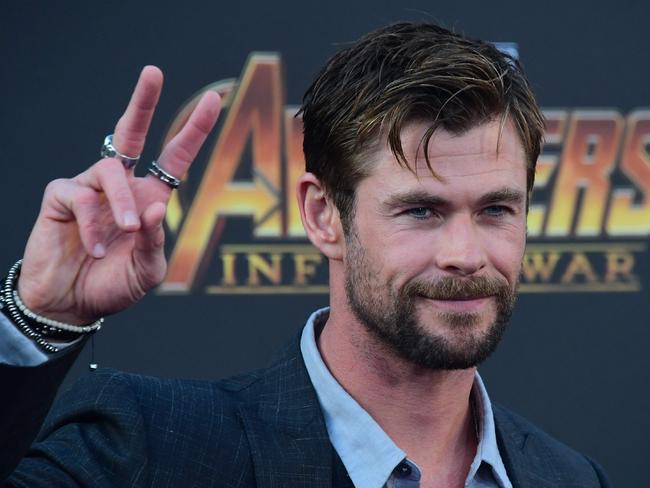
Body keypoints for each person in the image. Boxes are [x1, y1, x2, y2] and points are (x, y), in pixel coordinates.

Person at [0, 22, 609, 487]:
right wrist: (37, 314)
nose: (465, 254)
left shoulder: (572, 478)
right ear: (323, 216)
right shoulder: (152, 447)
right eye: (420, 211)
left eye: (496, 210)